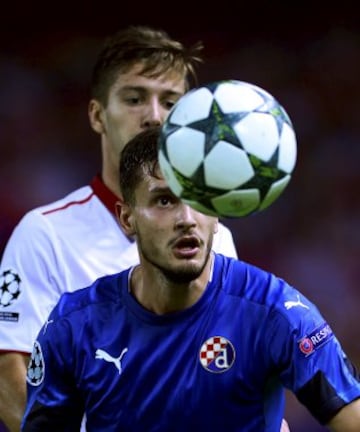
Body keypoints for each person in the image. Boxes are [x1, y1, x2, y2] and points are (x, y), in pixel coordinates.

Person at [21, 127, 360, 431]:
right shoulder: (74, 326)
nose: (186, 218)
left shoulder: (276, 311)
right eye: (164, 200)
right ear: (127, 218)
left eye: (199, 198)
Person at [0, 26, 238, 432]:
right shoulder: (44, 235)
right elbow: (11, 380)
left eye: (170, 101)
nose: (154, 116)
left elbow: (225, 363)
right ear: (97, 115)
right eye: (134, 98)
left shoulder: (216, 235)